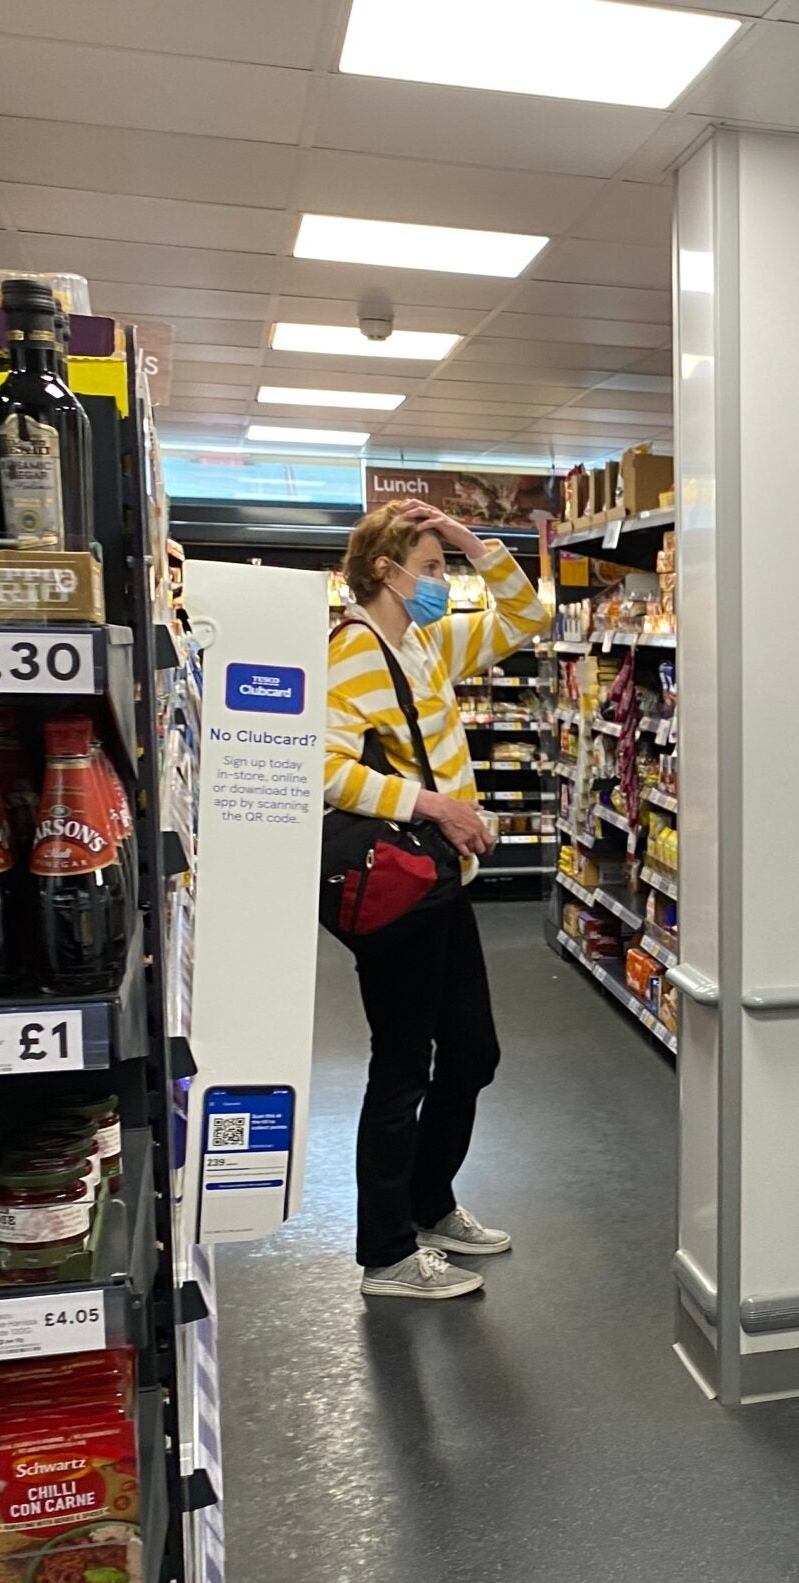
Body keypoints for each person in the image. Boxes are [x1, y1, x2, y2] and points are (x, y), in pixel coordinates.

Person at [326, 498, 552, 1301]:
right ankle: (386, 1254)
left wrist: (467, 540)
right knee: (401, 1067)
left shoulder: (422, 642)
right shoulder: (353, 650)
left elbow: (527, 617)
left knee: (471, 1054)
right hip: (399, 889)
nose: (441, 582)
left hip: (443, 885)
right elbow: (324, 768)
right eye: (429, 568)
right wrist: (433, 805)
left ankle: (428, 1202)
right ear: (385, 573)